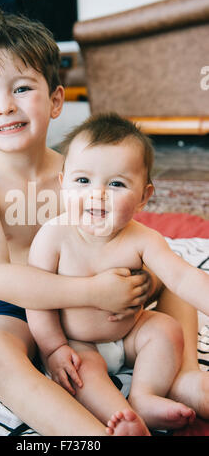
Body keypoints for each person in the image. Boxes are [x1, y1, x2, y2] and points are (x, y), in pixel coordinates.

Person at [0, 12, 208, 436]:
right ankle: (92, 436)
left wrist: (124, 280)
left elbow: (121, 226)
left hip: (92, 290)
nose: (5, 107)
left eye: (21, 88)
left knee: (170, 270)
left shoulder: (76, 170)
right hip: (15, 305)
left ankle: (183, 377)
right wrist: (92, 292)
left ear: (56, 100)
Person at [26, 113, 209, 433]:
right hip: (79, 342)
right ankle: (122, 417)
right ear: (62, 183)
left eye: (116, 184)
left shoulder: (143, 239)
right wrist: (53, 348)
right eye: (83, 180)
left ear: (143, 196)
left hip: (130, 332)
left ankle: (144, 396)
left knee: (166, 330)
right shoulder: (53, 236)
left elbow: (181, 278)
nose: (97, 193)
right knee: (82, 375)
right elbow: (37, 296)